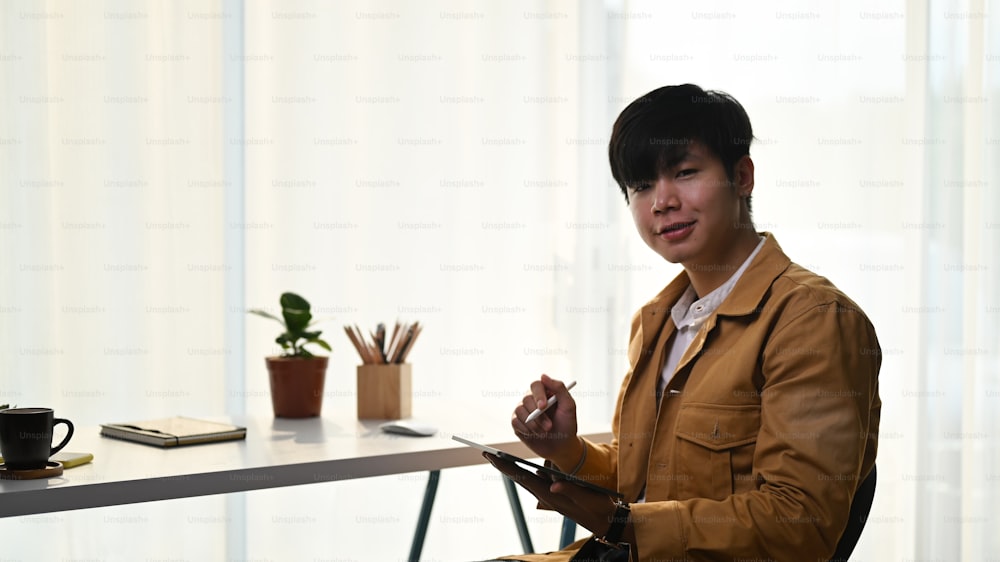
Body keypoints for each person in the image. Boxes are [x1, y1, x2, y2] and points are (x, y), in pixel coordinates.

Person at [482, 84, 882, 561]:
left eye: (685, 173)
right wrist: (568, 451)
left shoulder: (812, 321)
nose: (661, 202)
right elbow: (646, 482)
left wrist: (623, 523)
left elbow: (798, 526)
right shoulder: (656, 322)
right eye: (641, 186)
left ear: (742, 176)